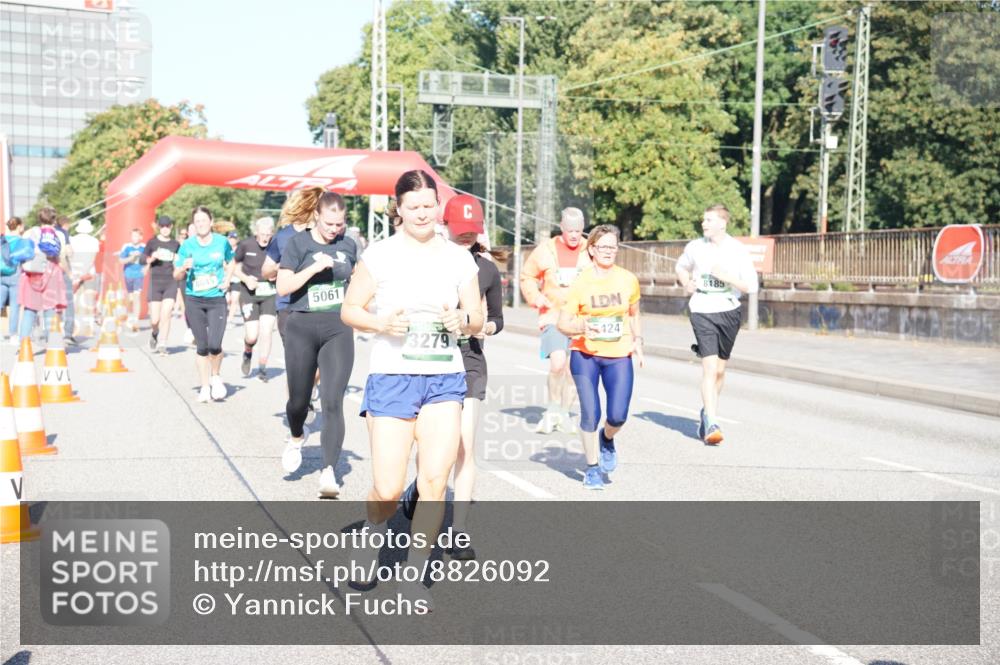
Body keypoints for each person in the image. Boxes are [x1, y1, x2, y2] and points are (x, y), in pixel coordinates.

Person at [341, 170, 483, 605]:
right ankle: (372, 534)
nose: (423, 213)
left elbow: (477, 318)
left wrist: (464, 321)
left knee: (435, 482)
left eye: (429, 205)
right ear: (398, 209)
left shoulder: (460, 259)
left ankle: (415, 570)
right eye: (413, 206)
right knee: (387, 489)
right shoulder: (379, 256)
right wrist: (380, 322)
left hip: (444, 377)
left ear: (438, 207)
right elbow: (350, 309)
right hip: (392, 375)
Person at [435, 194, 506, 558]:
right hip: (428, 358)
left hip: (469, 360)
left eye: (472, 231)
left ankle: (457, 530)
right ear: (443, 225)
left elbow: (498, 318)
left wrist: (486, 327)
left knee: (463, 445)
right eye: (460, 230)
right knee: (434, 446)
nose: (466, 237)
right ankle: (423, 491)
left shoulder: (487, 270)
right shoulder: (428, 263)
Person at [276, 192, 357, 498]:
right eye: (329, 223)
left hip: (338, 328)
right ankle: (297, 435)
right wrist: (312, 269)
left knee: (333, 400)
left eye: (339, 223)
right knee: (298, 403)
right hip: (302, 325)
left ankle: (328, 471)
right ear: (316, 217)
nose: (334, 229)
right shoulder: (298, 244)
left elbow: (358, 281)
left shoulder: (348, 245)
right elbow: (283, 287)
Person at [558, 225, 643, 490]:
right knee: (590, 413)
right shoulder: (581, 282)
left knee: (617, 416)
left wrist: (638, 341)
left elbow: (634, 313)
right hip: (585, 355)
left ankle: (607, 438)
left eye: (612, 247)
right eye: (602, 247)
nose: (608, 251)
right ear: (592, 249)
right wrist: (583, 327)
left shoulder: (628, 279)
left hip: (618, 354)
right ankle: (592, 467)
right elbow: (563, 323)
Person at [674, 204, 758, 445]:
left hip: (729, 310)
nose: (704, 224)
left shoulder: (737, 250)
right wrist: (686, 282)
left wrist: (727, 277)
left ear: (723, 223)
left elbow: (751, 286)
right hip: (702, 309)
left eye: (709, 220)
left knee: (721, 370)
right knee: (710, 368)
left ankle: (707, 411)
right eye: (703, 220)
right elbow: (681, 267)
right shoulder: (695, 247)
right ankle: (712, 421)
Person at [520, 207, 590, 434]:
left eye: (578, 231)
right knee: (558, 363)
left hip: (581, 319)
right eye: (569, 230)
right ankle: (552, 409)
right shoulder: (545, 250)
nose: (574, 235)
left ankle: (564, 413)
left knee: (573, 370)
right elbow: (527, 275)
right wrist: (537, 298)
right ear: (561, 227)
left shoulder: (590, 250)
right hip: (553, 316)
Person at [173, 206, 235, 403]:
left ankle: (215, 376)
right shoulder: (187, 246)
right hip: (194, 300)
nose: (200, 224)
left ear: (211, 221)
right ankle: (204, 386)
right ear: (193, 224)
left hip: (216, 299)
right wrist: (183, 268)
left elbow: (231, 261)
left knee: (215, 345)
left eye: (203, 220)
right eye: (197, 221)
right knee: (202, 346)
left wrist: (228, 278)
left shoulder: (221, 242)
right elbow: (176, 274)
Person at [234, 216, 277, 380]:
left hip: (269, 293)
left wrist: (276, 274)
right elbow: (233, 267)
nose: (265, 237)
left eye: (268, 234)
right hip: (249, 293)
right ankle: (247, 351)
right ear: (256, 232)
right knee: (252, 335)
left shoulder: (276, 246)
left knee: (266, 331)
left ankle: (262, 368)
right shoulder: (246, 244)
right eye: (262, 233)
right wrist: (246, 279)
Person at [18, 207, 69, 344]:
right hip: (51, 272)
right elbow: (61, 257)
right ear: (54, 220)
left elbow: (23, 252)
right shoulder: (59, 235)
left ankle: (23, 345)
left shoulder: (29, 232)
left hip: (32, 273)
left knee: (30, 309)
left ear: (39, 218)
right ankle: (52, 344)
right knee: (50, 309)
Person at [143, 216, 180, 354]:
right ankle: (154, 333)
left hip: (170, 282)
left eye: (167, 226)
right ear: (159, 227)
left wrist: (178, 261)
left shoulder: (175, 244)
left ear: (171, 227)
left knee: (167, 313)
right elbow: (143, 259)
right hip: (156, 283)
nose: (165, 229)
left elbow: (180, 262)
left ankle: (163, 343)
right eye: (162, 226)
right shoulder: (152, 242)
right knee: (155, 319)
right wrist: (152, 257)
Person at [1, 217, 28, 344]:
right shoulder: (21, 242)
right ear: (19, 227)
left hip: (1, 276)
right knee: (14, 307)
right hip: (16, 276)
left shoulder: (2, 239)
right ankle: (13, 335)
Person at [118, 227, 146, 331]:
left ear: (140, 237)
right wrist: (131, 258)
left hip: (138, 275)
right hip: (128, 274)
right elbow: (121, 260)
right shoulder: (127, 247)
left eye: (136, 235)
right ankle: (129, 315)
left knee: (136, 296)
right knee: (130, 298)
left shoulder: (144, 247)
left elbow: (148, 260)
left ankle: (136, 321)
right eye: (132, 235)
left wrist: (145, 266)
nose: (134, 238)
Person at [55, 215, 78, 343]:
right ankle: (68, 334)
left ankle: (53, 332)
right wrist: (69, 272)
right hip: (62, 270)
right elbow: (67, 253)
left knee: (52, 301)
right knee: (68, 302)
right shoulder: (63, 233)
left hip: (49, 271)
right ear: (66, 225)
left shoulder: (47, 232)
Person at [226, 231, 242, 327]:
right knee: (227, 300)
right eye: (230, 238)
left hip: (237, 279)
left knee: (234, 299)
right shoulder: (225, 249)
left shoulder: (240, 250)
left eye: (234, 238)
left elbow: (241, 264)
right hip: (226, 278)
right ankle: (224, 316)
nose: (232, 240)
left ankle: (230, 320)